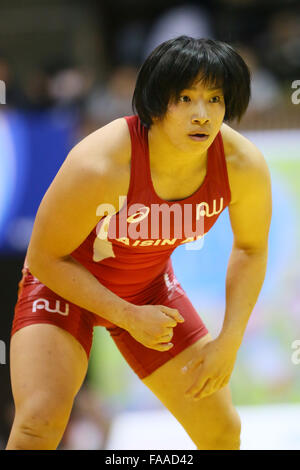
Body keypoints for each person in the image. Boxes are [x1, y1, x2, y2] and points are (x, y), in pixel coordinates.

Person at [6, 36, 272, 450]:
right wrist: (124, 315)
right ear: (155, 102)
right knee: (38, 426)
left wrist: (229, 341)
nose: (201, 114)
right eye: (185, 98)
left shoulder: (242, 165)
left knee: (222, 432)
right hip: (64, 288)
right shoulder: (101, 163)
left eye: (215, 99)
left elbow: (251, 248)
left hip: (148, 289)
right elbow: (43, 258)